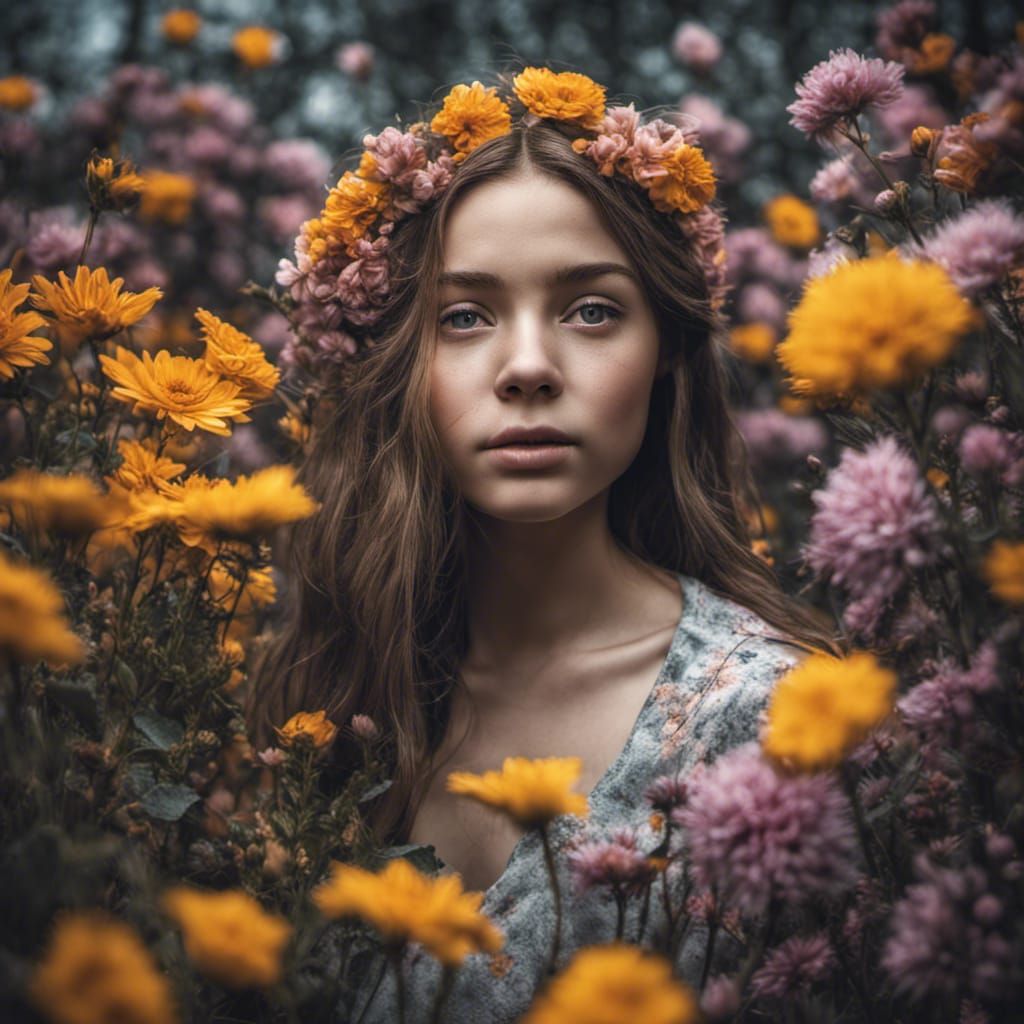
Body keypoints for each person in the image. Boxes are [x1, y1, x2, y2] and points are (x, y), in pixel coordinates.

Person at [247, 65, 841, 1023]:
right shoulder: (323, 695)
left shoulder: (774, 723)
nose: (527, 367)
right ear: (394, 362)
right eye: (465, 316)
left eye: (592, 309)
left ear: (665, 352)